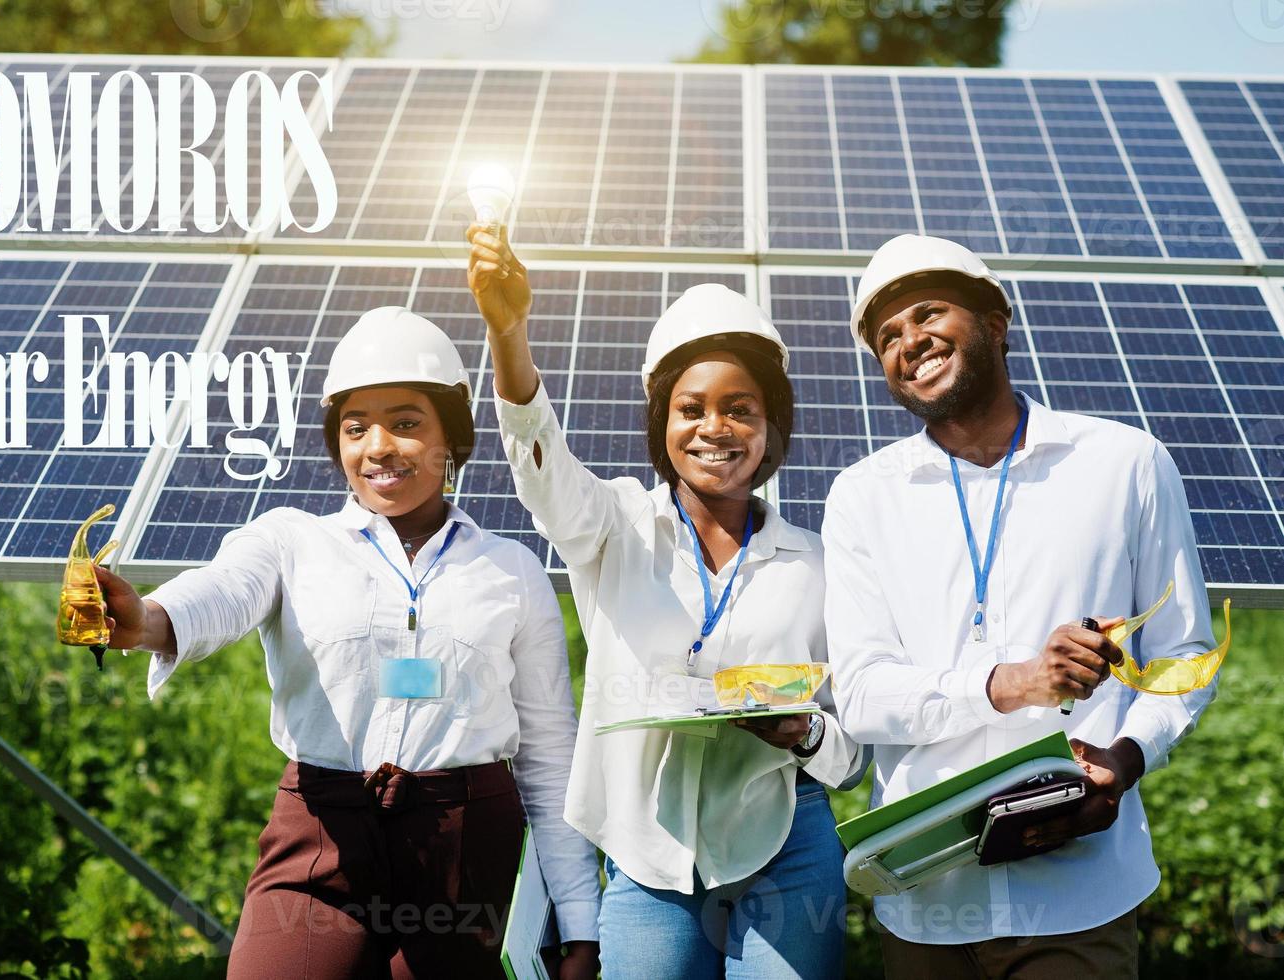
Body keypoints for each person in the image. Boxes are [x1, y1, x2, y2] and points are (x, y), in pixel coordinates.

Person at [93, 307, 601, 979]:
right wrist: (147, 619)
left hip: (464, 851)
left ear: (452, 435)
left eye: (406, 423)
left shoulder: (510, 569)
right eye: (356, 428)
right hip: (321, 833)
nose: (378, 446)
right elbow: (223, 591)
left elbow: (547, 756)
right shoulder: (291, 540)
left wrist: (579, 927)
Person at [467, 223, 866, 979]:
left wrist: (802, 733)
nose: (715, 428)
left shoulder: (815, 563)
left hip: (786, 844)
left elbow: (851, 759)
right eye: (691, 408)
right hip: (647, 853)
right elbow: (540, 466)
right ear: (662, 422)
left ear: (770, 426)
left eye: (740, 408)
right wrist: (508, 332)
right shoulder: (613, 526)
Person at [823, 234, 1219, 978]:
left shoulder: (1124, 463)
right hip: (927, 896)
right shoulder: (860, 496)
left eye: (929, 313)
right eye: (887, 337)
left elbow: (1185, 656)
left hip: (1077, 891)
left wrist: (1124, 761)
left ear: (995, 322)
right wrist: (1012, 683)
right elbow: (864, 694)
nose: (910, 341)